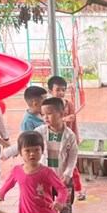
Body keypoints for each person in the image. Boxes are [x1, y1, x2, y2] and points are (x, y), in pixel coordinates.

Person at [33, 97, 80, 213]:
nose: (45, 117)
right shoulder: (39, 132)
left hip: (63, 179)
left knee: (65, 206)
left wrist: (68, 173)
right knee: (45, 204)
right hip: (44, 179)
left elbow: (73, 156)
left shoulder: (69, 135)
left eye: (49, 113)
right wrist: (8, 152)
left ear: (61, 114)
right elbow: (26, 144)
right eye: (43, 114)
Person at [47, 75, 85, 203]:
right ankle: (52, 189)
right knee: (52, 166)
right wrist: (63, 119)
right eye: (58, 90)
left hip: (67, 141)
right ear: (50, 91)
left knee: (72, 166)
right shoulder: (48, 106)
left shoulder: (69, 105)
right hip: (53, 142)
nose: (61, 92)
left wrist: (76, 138)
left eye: (63, 90)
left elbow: (74, 124)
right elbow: (47, 123)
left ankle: (78, 190)